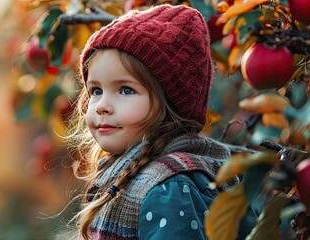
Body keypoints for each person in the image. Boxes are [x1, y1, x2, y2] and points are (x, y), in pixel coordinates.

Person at [64, 4, 254, 240]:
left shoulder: (168, 189)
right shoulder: (123, 173)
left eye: (125, 90)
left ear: (169, 104)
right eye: (95, 91)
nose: (102, 105)